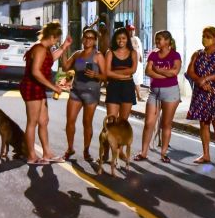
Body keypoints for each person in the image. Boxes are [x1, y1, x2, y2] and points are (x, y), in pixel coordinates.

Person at [20, 22, 73, 165]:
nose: (56, 42)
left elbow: (49, 60)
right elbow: (35, 72)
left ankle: (47, 153)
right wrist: (54, 87)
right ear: (51, 36)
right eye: (56, 40)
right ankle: (31, 156)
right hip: (32, 87)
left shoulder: (45, 49)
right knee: (32, 122)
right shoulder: (40, 49)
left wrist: (63, 47)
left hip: (39, 87)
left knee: (44, 121)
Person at [186, 26, 215, 167]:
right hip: (201, 92)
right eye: (203, 35)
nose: (204, 39)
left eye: (207, 36)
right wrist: (200, 81)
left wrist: (207, 79)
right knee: (203, 123)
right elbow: (190, 71)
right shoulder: (197, 54)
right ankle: (206, 154)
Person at [135, 30, 182, 163]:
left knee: (166, 124)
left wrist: (159, 70)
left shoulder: (175, 55)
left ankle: (164, 153)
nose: (157, 42)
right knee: (149, 123)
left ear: (167, 41)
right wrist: (163, 74)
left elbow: (174, 72)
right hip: (154, 92)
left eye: (159, 39)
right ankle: (143, 152)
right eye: (156, 39)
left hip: (171, 92)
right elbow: (148, 71)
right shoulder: (153, 54)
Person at [61, 28, 106, 161]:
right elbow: (65, 67)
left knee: (87, 123)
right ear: (82, 39)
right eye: (86, 37)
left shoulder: (98, 56)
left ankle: (86, 150)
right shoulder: (78, 55)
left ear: (95, 41)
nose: (88, 40)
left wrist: (96, 75)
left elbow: (105, 76)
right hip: (76, 91)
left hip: (91, 94)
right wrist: (64, 49)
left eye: (91, 38)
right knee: (70, 121)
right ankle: (70, 148)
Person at [105, 27, 139, 121]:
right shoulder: (110, 53)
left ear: (127, 39)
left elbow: (133, 70)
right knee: (111, 120)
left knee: (123, 121)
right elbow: (107, 72)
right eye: (118, 38)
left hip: (128, 87)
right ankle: (110, 136)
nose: (121, 40)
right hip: (113, 87)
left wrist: (114, 72)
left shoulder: (133, 53)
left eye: (123, 38)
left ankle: (121, 136)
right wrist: (123, 76)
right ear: (115, 39)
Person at [126, 23, 145, 101]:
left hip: (139, 63)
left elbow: (139, 49)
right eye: (130, 30)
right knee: (133, 80)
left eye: (133, 30)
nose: (132, 32)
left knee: (138, 80)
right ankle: (138, 96)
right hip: (131, 62)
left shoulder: (137, 39)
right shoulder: (126, 40)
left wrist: (141, 58)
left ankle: (138, 96)